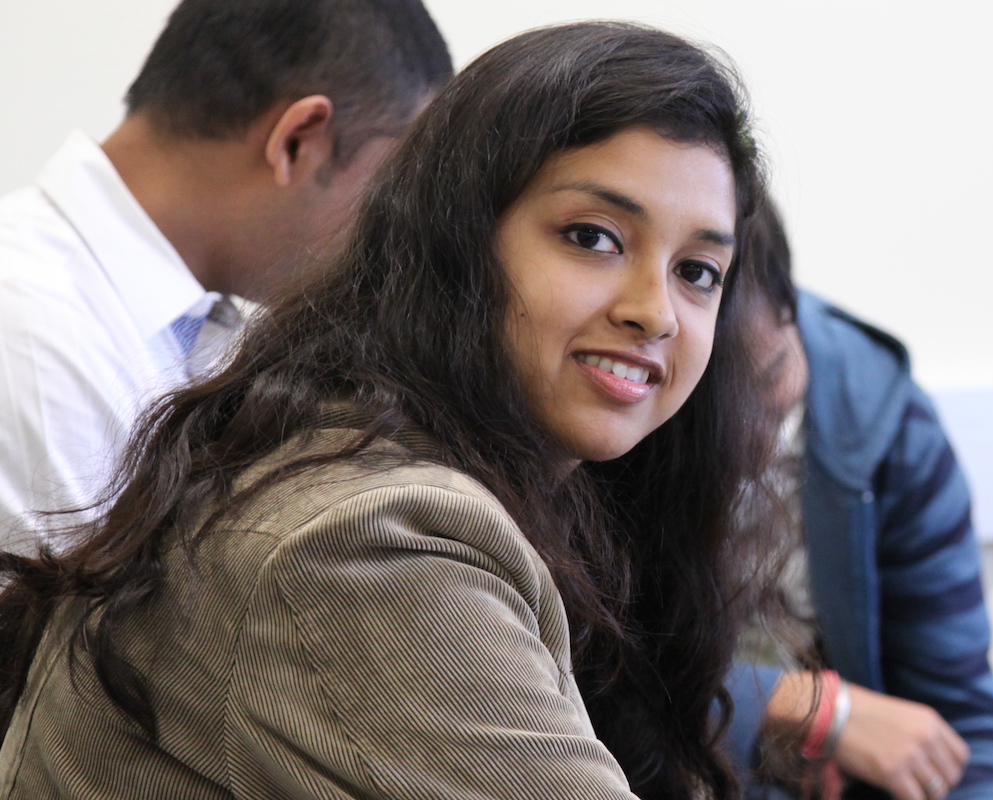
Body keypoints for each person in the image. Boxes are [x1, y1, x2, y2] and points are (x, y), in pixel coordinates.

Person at [0, 22, 805, 800]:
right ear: (456, 243)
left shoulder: (535, 493)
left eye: (698, 271)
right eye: (593, 237)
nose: (654, 311)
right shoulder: (370, 543)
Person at [0, 0, 452, 551]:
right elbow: (82, 632)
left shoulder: (186, 321)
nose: (388, 234)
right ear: (298, 141)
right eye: (390, 188)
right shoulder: (30, 330)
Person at [727, 202, 993, 800]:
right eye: (716, 413)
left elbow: (958, 723)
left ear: (794, 318)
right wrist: (808, 706)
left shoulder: (889, 428)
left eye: (770, 382)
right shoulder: (592, 441)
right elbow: (574, 691)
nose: (754, 440)